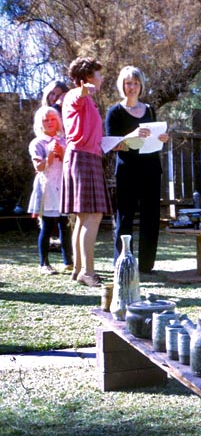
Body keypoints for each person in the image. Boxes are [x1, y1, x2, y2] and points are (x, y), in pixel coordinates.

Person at [105, 66, 168, 274]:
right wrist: (133, 133)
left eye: (135, 83)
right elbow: (111, 144)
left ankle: (147, 266)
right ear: (122, 85)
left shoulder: (149, 110)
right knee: (125, 217)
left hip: (151, 169)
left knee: (151, 218)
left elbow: (154, 137)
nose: (132, 87)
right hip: (127, 171)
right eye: (128, 83)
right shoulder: (114, 112)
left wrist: (162, 138)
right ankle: (123, 264)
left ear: (141, 85)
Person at [61, 57, 112, 287]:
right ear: (88, 77)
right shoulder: (75, 95)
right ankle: (88, 273)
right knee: (92, 216)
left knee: (84, 218)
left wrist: (114, 143)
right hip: (82, 159)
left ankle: (79, 270)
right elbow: (78, 99)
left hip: (87, 157)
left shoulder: (90, 102)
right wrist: (83, 91)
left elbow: (92, 134)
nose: (101, 79)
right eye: (98, 74)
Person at [27, 106, 73, 275]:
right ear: (40, 123)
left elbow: (71, 164)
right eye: (46, 120)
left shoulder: (65, 141)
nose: (50, 123)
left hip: (63, 187)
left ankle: (68, 261)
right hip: (47, 188)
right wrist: (51, 156)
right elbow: (39, 166)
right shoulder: (37, 143)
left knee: (65, 226)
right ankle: (44, 263)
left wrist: (62, 151)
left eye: (53, 119)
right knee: (47, 226)